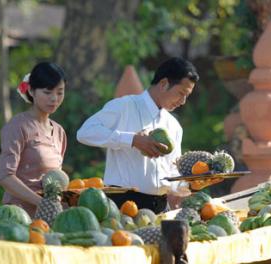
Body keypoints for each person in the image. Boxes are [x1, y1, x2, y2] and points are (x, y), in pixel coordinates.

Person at [76, 57, 199, 213]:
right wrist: (132, 140)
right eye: (181, 93)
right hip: (122, 206)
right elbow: (85, 132)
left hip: (160, 208)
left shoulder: (173, 126)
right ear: (164, 84)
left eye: (187, 96)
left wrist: (192, 184)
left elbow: (173, 173)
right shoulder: (124, 106)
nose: (183, 102)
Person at [0, 62, 67, 216]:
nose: (54, 98)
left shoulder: (59, 132)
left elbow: (56, 179)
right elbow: (5, 177)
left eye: (60, 92)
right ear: (32, 91)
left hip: (51, 218)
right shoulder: (17, 127)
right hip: (17, 217)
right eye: (47, 92)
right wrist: (42, 203)